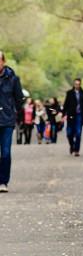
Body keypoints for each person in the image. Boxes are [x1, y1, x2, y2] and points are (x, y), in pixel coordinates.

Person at [0, 51, 24, 192]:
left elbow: (19, 99)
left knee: (6, 152)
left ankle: (3, 181)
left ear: (3, 61)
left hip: (7, 120)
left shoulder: (13, 79)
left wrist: (14, 111)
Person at [62, 78, 83, 156]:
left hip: (79, 115)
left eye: (78, 84)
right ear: (73, 84)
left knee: (78, 132)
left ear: (80, 84)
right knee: (69, 133)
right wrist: (63, 114)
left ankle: (76, 150)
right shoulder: (69, 93)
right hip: (71, 115)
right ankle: (72, 145)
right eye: (75, 84)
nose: (77, 85)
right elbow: (66, 104)